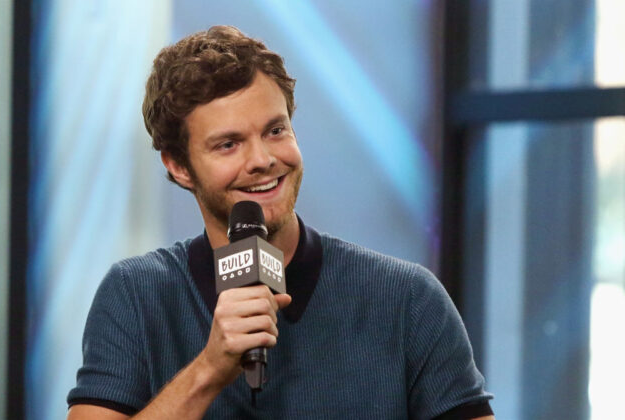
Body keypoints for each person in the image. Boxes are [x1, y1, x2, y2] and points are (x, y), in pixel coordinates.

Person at [66, 25, 494, 419]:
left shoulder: (407, 299)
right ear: (178, 166)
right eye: (229, 144)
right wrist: (209, 370)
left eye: (275, 131)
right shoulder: (137, 294)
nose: (263, 160)